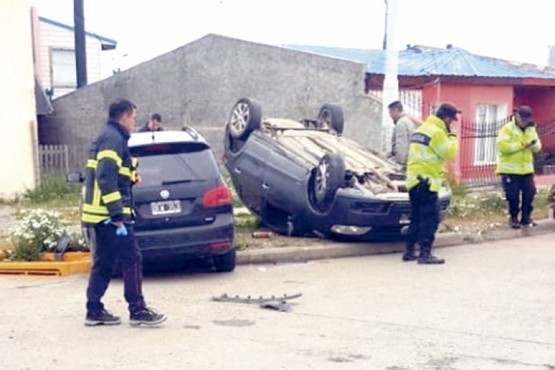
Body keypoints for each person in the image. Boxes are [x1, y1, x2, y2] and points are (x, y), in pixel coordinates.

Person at [82, 99, 166, 327]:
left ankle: (94, 309)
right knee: (132, 258)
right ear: (125, 116)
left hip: (100, 215)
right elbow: (106, 176)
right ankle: (137, 310)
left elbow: (113, 172)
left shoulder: (111, 137)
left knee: (104, 262)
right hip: (110, 217)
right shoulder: (112, 139)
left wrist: (130, 175)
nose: (134, 122)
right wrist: (117, 215)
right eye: (134, 118)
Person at [404, 104, 460, 264]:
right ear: (447, 119)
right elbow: (448, 152)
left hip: (414, 180)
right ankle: (425, 253)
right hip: (427, 182)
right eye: (452, 121)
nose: (452, 124)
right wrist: (452, 137)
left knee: (416, 216)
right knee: (430, 218)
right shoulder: (437, 132)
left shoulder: (421, 129)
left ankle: (409, 251)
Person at [496, 105, 542, 229]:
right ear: (517, 116)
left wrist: (533, 146)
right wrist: (522, 145)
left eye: (527, 120)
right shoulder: (507, 129)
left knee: (530, 193)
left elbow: (538, 146)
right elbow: (503, 147)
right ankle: (514, 218)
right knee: (513, 197)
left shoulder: (531, 129)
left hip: (526, 170)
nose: (524, 123)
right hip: (510, 170)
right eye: (523, 120)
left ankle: (526, 217)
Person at [388, 101, 415, 167]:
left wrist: (399, 163)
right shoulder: (408, 121)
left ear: (396, 110)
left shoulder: (401, 124)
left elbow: (401, 146)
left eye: (390, 113)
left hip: (404, 163)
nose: (390, 116)